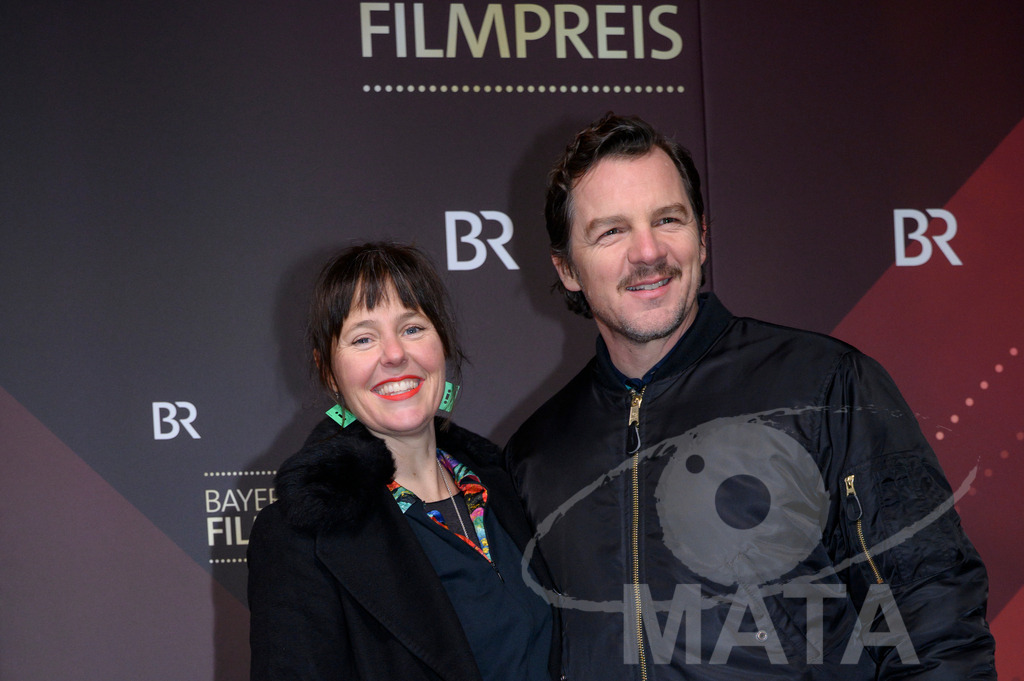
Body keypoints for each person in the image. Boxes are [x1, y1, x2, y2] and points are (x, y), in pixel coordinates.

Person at [504, 114, 995, 679]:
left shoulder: (825, 386)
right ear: (567, 269)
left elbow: (935, 618)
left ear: (703, 236)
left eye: (668, 219)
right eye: (611, 231)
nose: (648, 251)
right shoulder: (536, 455)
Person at [248, 242, 556, 681]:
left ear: (442, 345)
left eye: (412, 328)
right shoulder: (299, 537)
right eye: (363, 338)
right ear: (329, 373)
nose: (394, 354)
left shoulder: (509, 487)